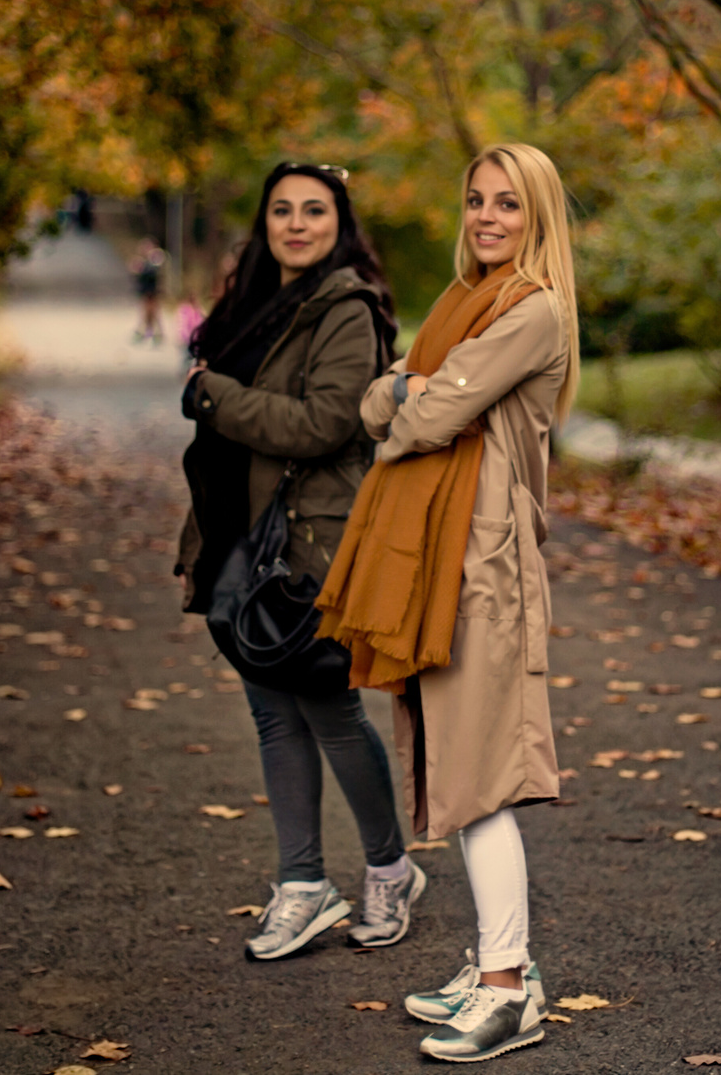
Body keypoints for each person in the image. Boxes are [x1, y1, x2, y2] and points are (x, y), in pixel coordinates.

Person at [318, 142, 579, 1063]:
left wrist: (413, 395)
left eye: (508, 204)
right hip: (442, 560)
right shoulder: (460, 303)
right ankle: (494, 964)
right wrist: (412, 393)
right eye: (475, 200)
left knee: (479, 781)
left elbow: (415, 416)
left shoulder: (532, 311)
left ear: (537, 216)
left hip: (484, 570)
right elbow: (377, 402)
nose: (487, 217)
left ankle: (509, 989)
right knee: (455, 774)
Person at [173, 163, 419, 961]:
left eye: (315, 210)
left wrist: (211, 395)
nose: (297, 223)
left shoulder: (345, 309)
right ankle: (303, 884)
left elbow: (322, 425)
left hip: (310, 543)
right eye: (282, 209)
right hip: (240, 540)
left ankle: (389, 870)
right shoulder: (253, 302)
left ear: (339, 223)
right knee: (271, 715)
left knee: (329, 709)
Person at [131, 239, 166, 344]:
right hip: (145, 291)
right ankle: (146, 333)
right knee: (146, 313)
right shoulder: (142, 261)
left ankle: (154, 334)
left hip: (153, 291)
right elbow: (138, 275)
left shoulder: (155, 258)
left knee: (153, 313)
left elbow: (156, 271)